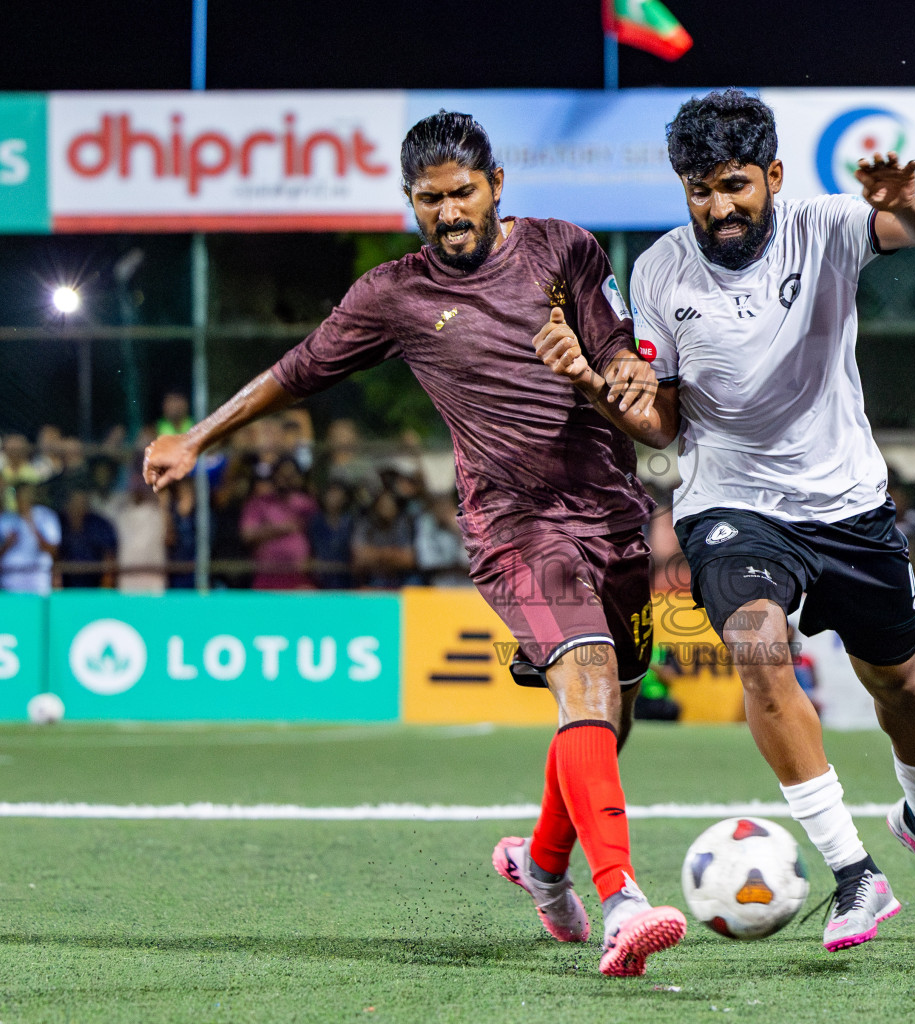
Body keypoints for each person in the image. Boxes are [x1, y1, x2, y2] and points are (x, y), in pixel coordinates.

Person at [142, 110, 685, 976]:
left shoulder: (566, 251)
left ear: (496, 185)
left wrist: (605, 369)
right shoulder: (393, 294)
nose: (448, 212)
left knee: (608, 719)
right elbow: (296, 370)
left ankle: (543, 868)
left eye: (461, 193)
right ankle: (625, 901)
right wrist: (197, 438)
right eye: (429, 200)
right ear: (410, 203)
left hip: (612, 517)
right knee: (584, 684)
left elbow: (624, 363)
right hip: (514, 526)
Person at [571, 89, 915, 951]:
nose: (718, 207)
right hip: (732, 501)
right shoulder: (659, 271)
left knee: (899, 687)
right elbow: (666, 423)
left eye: (733, 185)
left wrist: (900, 202)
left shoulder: (829, 223)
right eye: (699, 190)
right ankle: (855, 873)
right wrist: (608, 393)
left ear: (773, 177)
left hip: (847, 503)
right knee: (760, 652)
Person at [240, 459, 316, 590]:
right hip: (267, 577)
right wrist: (282, 529)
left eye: (291, 475)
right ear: (274, 476)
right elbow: (247, 535)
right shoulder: (258, 503)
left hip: (299, 579)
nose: (286, 479)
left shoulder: (307, 504)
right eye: (282, 475)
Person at [0, 482, 60, 595]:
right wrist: (8, 543)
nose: (22, 500)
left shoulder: (45, 516)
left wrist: (32, 526)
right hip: (11, 579)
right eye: (19, 496)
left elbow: (53, 551)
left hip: (38, 577)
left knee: (37, 611)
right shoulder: (5, 519)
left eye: (25, 496)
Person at [58, 489, 118, 588]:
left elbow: (109, 560)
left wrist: (105, 592)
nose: (78, 506)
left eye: (81, 501)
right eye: (74, 501)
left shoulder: (100, 525)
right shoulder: (60, 523)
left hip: (94, 589)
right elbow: (54, 556)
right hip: (66, 591)